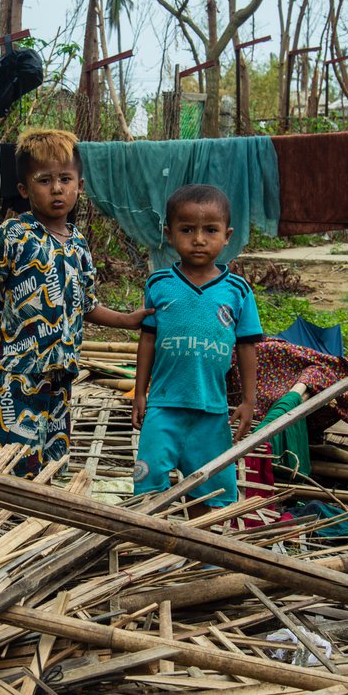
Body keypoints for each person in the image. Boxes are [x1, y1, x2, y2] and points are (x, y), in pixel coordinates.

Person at [0, 128, 150, 477]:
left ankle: (31, 520)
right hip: (15, 370)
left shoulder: (79, 244)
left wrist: (128, 320)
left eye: (65, 179)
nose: (56, 188)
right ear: (25, 189)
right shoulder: (13, 234)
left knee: (47, 457)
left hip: (59, 373)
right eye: (44, 180)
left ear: (80, 185)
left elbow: (85, 304)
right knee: (2, 455)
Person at [131, 184, 262, 516]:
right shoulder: (159, 285)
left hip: (211, 411)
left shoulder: (238, 291)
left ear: (227, 235)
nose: (199, 239)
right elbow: (147, 340)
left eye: (210, 230)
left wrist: (248, 401)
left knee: (210, 492)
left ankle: (201, 556)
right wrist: (139, 392)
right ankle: (151, 550)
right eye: (187, 229)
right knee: (149, 491)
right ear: (169, 234)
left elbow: (247, 348)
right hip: (163, 407)